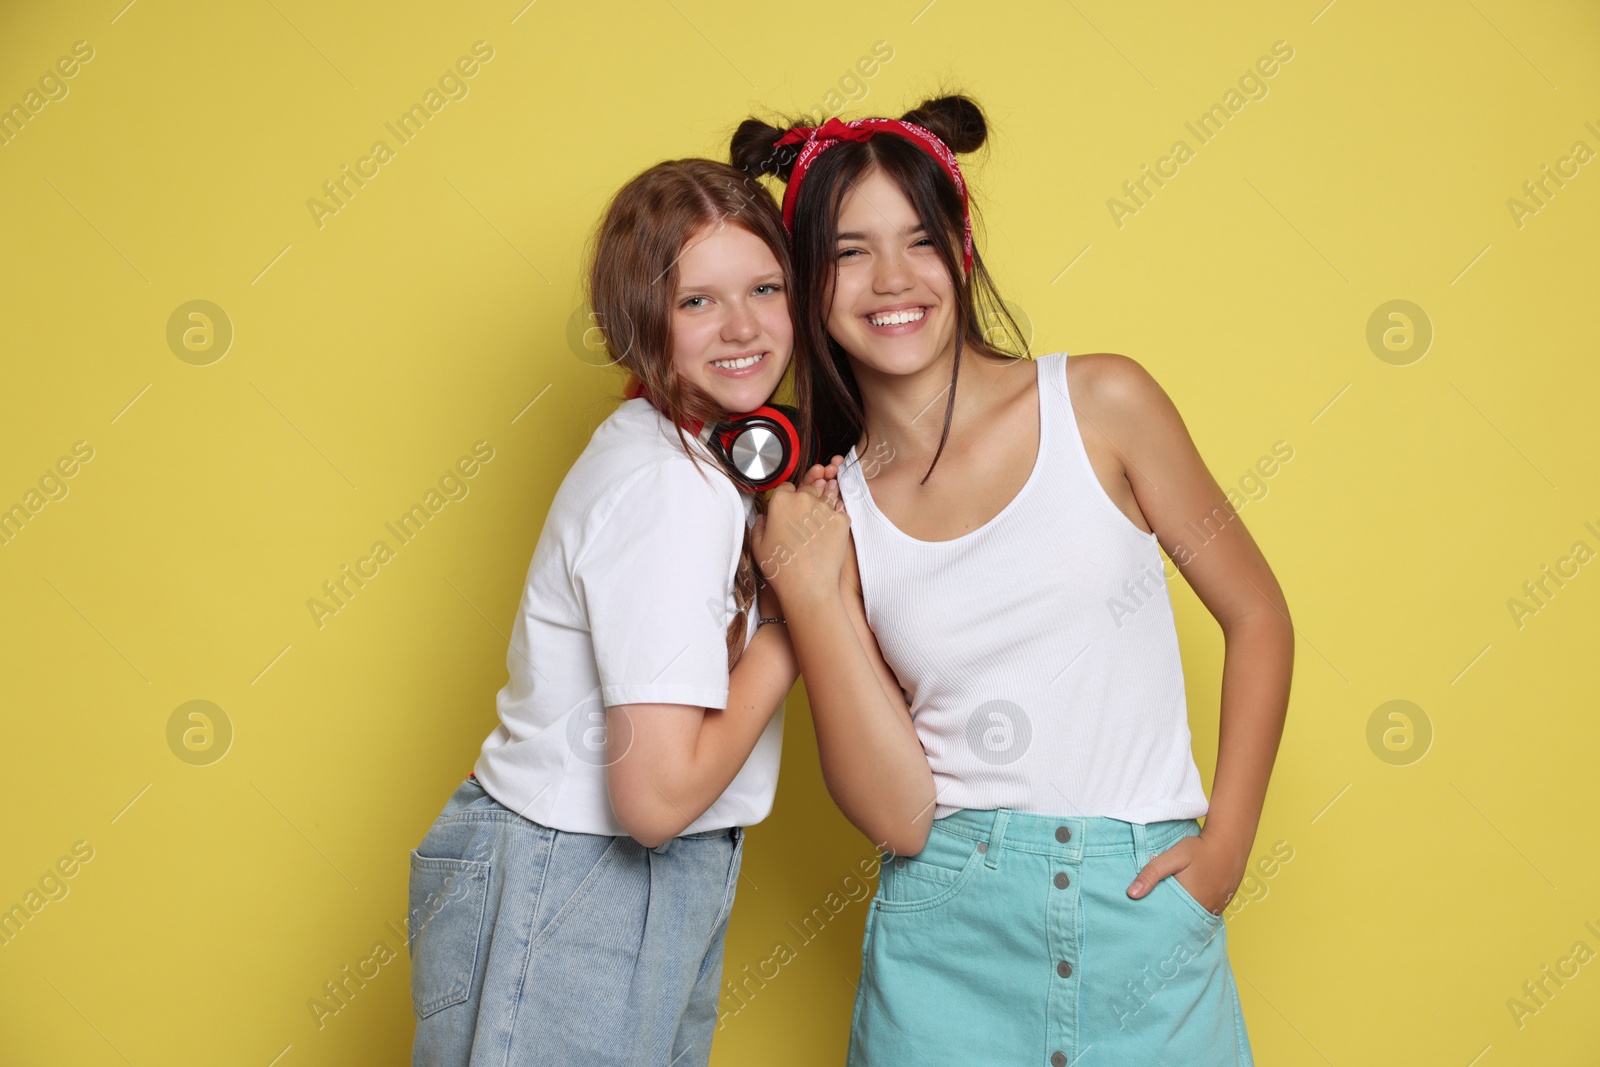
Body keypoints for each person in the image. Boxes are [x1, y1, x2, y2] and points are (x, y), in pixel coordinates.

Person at [730, 96, 1293, 1064]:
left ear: (962, 251)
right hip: (945, 929)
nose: (893, 278)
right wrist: (812, 592)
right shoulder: (834, 513)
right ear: (806, 283)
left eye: (919, 239)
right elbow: (899, 811)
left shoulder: (1104, 403)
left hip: (1140, 908)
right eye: (851, 251)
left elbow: (1258, 614)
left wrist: (1227, 846)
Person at [406, 157, 828, 1067]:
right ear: (641, 321)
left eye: (764, 288)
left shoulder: (683, 455)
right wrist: (799, 611)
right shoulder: (669, 491)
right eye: (698, 303)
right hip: (584, 879)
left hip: (579, 875)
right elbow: (657, 800)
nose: (745, 327)